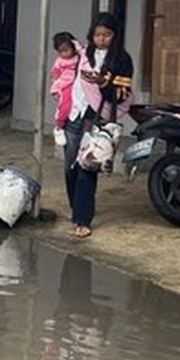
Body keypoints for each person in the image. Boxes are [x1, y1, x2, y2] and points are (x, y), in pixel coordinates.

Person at [62, 13, 133, 239]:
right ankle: (77, 208)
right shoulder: (84, 54)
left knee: (87, 165)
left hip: (98, 115)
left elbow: (121, 95)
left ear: (115, 36)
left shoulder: (122, 59)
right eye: (97, 34)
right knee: (70, 164)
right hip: (75, 113)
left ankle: (83, 219)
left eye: (107, 35)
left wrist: (103, 83)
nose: (101, 39)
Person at [48, 31, 86, 147]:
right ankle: (59, 127)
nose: (64, 54)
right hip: (65, 86)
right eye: (61, 51)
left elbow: (85, 54)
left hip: (79, 86)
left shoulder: (79, 57)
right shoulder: (59, 61)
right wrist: (55, 89)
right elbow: (54, 75)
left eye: (67, 50)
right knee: (64, 107)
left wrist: (77, 46)